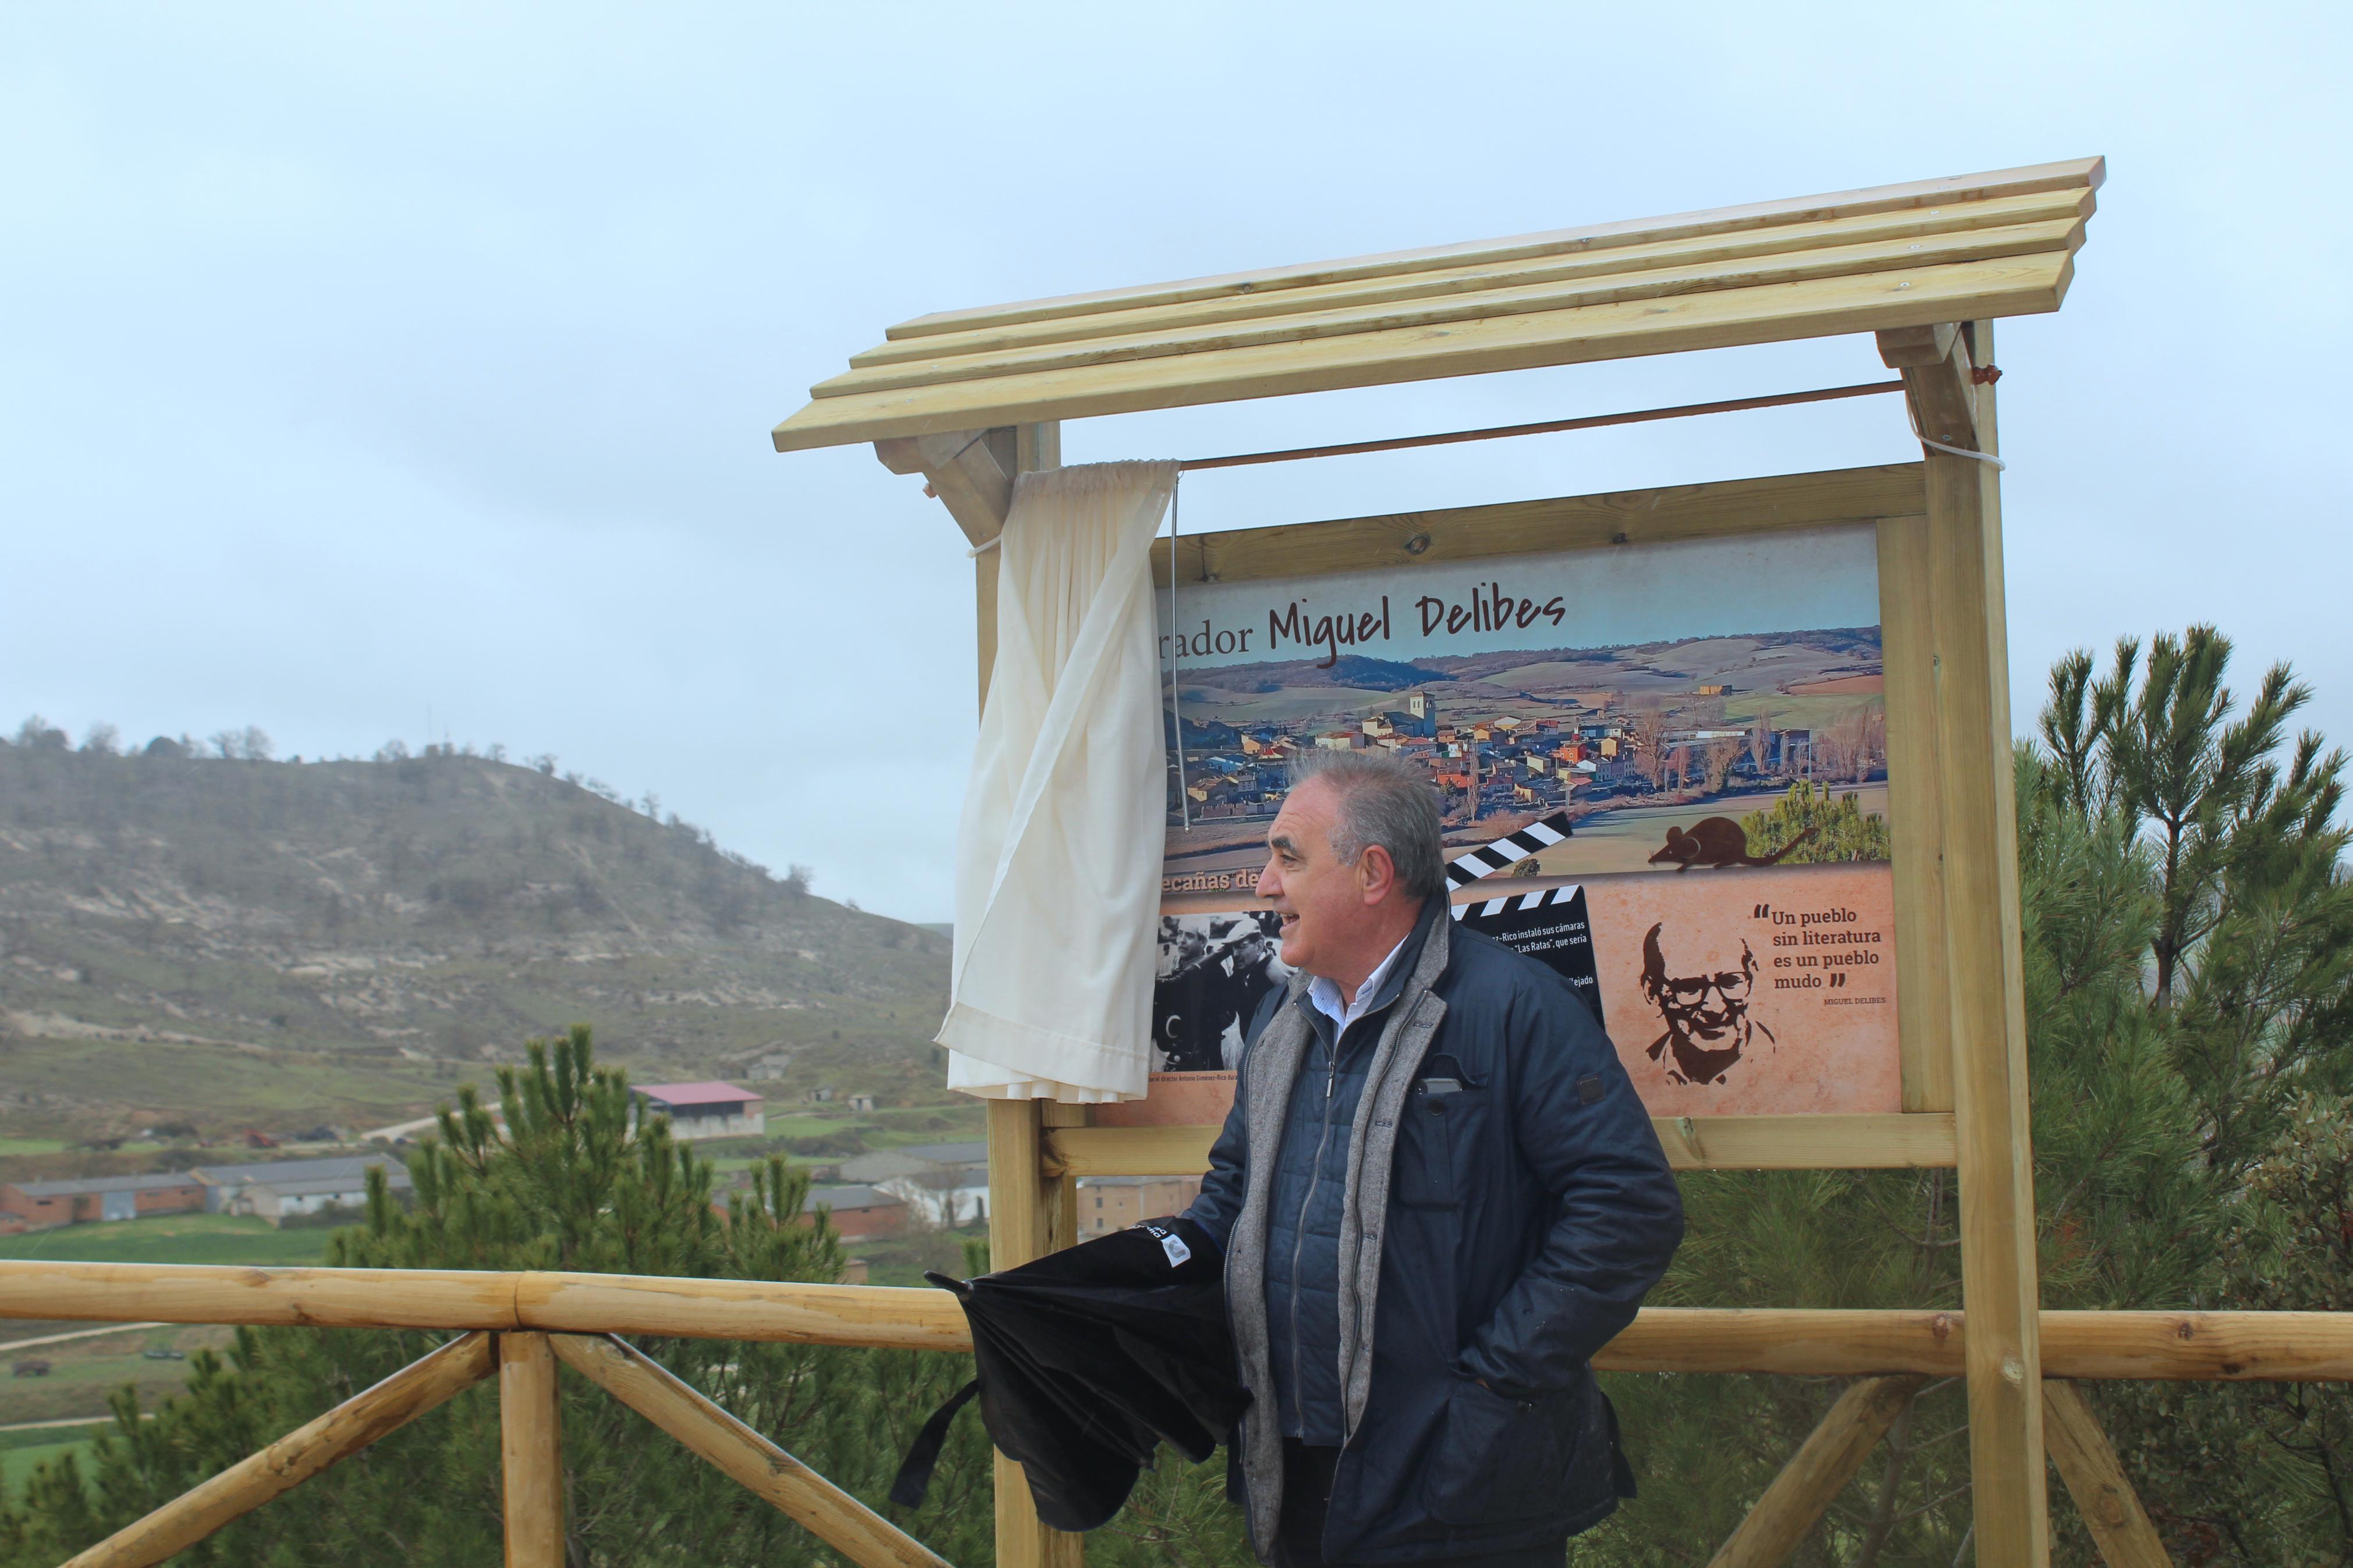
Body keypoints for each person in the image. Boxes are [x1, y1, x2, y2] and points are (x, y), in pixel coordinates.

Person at [1184, 750, 1684, 1567]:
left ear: (1374, 873)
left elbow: (1629, 1211)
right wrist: (1126, 1278)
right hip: (1300, 1480)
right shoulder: (1282, 1018)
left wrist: (1490, 1387)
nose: (1265, 886)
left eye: (1287, 856)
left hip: (1465, 1490)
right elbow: (1235, 1195)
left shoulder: (1514, 1006)